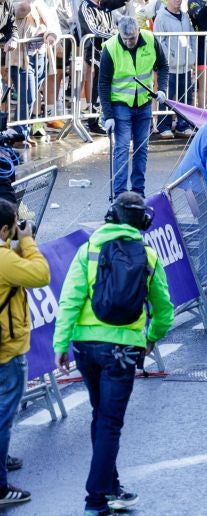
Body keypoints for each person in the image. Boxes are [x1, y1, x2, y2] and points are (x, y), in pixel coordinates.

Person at [53, 192, 171, 516]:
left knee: (99, 414)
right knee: (109, 421)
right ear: (143, 222)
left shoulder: (88, 249)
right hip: (122, 349)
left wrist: (60, 345)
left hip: (85, 347)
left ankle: (111, 485)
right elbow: (164, 310)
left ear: (110, 216)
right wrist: (151, 337)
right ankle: (95, 499)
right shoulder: (148, 256)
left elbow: (70, 300)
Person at [0, 200, 50, 509]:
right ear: (5, 228)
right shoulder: (4, 259)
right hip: (8, 349)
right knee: (4, 416)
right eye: (15, 224)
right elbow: (40, 274)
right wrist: (28, 241)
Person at [98, 17, 169, 197]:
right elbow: (103, 84)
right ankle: (121, 194)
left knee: (141, 149)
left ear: (138, 30)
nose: (128, 42)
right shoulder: (111, 48)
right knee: (121, 148)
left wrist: (162, 89)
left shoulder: (151, 40)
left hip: (143, 103)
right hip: (120, 105)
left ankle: (138, 192)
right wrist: (108, 115)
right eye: (125, 38)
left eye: (132, 38)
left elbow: (163, 66)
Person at [150, 0, 194, 138]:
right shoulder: (161, 17)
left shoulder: (185, 16)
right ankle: (164, 126)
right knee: (166, 97)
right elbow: (160, 42)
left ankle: (183, 124)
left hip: (185, 64)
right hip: (169, 66)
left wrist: (192, 55)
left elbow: (192, 36)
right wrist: (170, 58)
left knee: (185, 97)